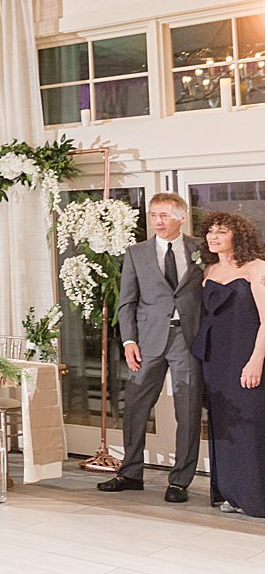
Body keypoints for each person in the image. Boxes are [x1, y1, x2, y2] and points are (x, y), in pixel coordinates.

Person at [102, 192, 205, 502]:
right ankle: (130, 473)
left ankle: (179, 482)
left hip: (188, 340)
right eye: (153, 214)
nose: (157, 221)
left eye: (164, 215)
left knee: (187, 410)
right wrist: (129, 340)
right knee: (134, 405)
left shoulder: (201, 250)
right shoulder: (137, 253)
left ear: (181, 217)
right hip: (148, 341)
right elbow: (127, 302)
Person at [192, 212, 264, 517]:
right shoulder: (209, 269)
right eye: (210, 232)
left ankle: (256, 496)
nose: (213, 236)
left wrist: (256, 361)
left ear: (239, 235)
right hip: (215, 358)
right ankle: (232, 493)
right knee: (223, 425)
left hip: (246, 356)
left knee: (251, 425)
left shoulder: (256, 268)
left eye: (221, 232)